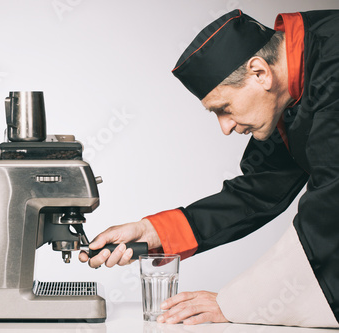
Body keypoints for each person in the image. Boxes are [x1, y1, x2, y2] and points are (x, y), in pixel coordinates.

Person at [79, 9, 339, 327]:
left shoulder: (333, 66)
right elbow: (263, 188)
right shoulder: (290, 84)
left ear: (260, 73)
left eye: (224, 109)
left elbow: (331, 210)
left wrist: (238, 303)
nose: (225, 128)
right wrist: (153, 231)